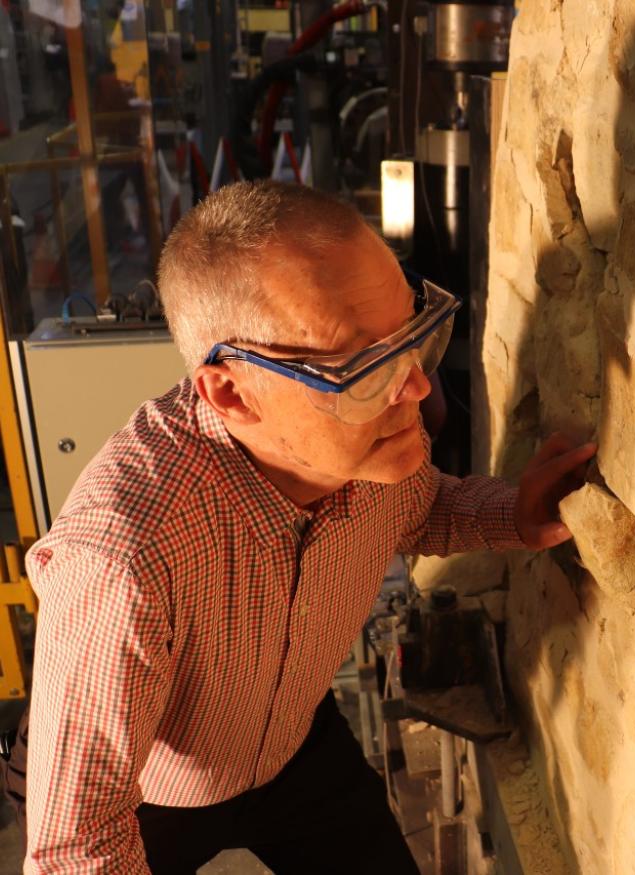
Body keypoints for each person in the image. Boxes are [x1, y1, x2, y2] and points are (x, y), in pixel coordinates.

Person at [11, 180, 595, 873]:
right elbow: (78, 848)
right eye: (363, 367)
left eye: (414, 337)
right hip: (151, 791)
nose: (414, 390)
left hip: (291, 740)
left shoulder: (371, 445)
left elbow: (418, 508)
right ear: (231, 391)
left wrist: (514, 514)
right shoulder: (124, 559)